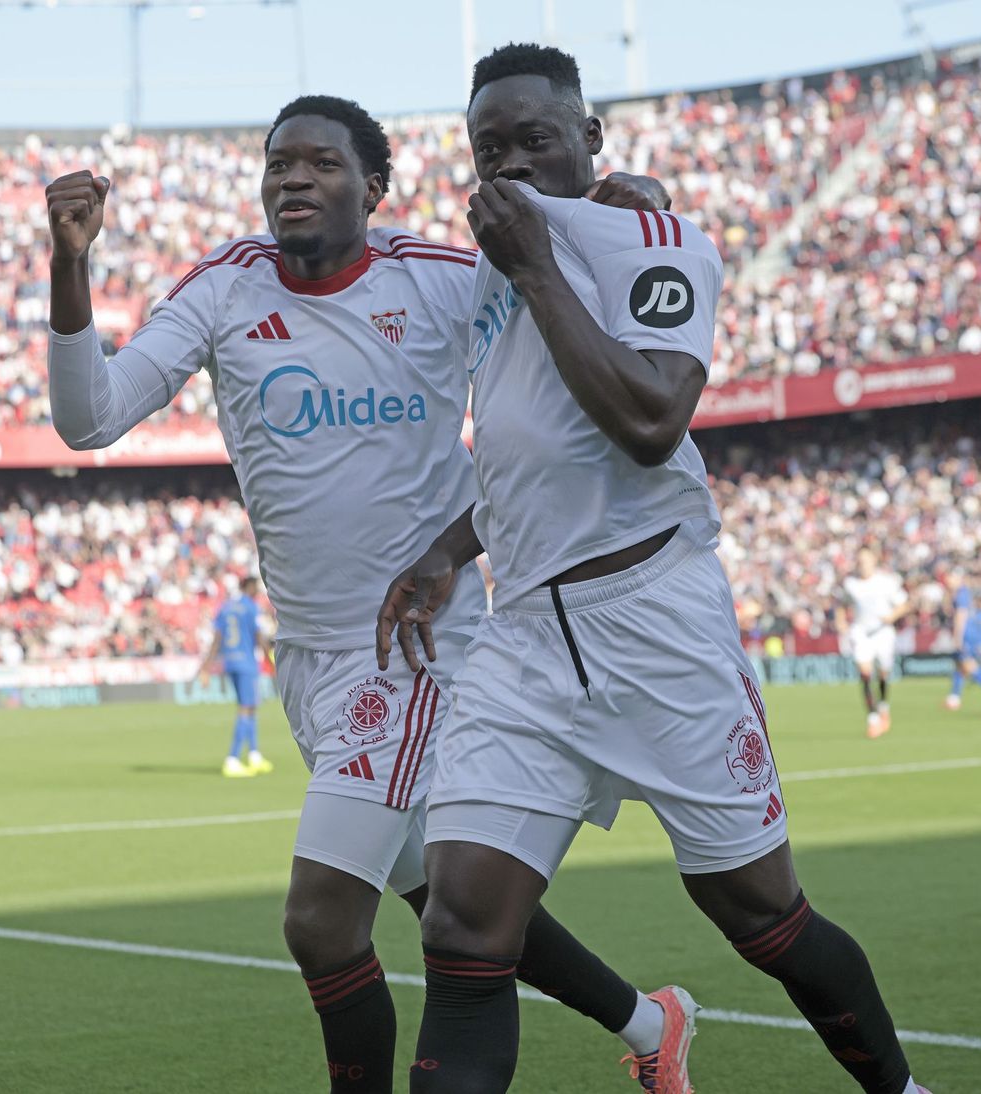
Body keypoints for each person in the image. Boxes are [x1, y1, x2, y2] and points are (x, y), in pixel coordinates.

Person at [45, 94, 696, 1093]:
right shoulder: (226, 286)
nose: (294, 179)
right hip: (306, 656)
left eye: (321, 163)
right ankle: (653, 1025)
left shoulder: (437, 278)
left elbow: (571, 282)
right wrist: (72, 262)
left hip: (419, 648)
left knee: (319, 919)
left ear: (374, 189)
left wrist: (627, 214)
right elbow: (88, 421)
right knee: (456, 900)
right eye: (279, 164)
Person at [377, 44, 926, 1094]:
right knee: (462, 923)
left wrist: (540, 262)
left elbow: (648, 418)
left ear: (590, 140)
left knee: (761, 915)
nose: (512, 165)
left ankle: (900, 1089)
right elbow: (525, 451)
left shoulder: (657, 244)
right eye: (489, 150)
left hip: (656, 620)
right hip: (527, 638)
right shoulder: (491, 280)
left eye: (535, 138)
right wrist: (449, 550)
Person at [196, 575, 276, 777]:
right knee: (246, 709)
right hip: (247, 663)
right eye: (255, 588)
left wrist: (206, 667)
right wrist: (271, 663)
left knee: (250, 706)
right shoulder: (251, 607)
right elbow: (259, 638)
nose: (258, 591)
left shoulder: (225, 607)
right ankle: (232, 759)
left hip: (230, 662)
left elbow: (217, 639)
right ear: (248, 587)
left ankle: (254, 755)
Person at [842, 547, 910, 738]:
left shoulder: (886, 582)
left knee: (883, 672)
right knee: (864, 672)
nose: (862, 564)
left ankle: (883, 706)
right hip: (861, 632)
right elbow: (842, 603)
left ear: (874, 561)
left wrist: (891, 616)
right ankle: (872, 719)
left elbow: (904, 604)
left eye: (866, 560)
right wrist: (841, 622)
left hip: (883, 632)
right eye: (860, 560)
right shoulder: (851, 583)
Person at [942, 569, 981, 711]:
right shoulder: (959, 593)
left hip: (967, 636)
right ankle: (954, 697)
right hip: (970, 635)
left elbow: (960, 616)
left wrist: (958, 637)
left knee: (968, 665)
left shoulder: (961, 594)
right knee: (960, 666)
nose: (947, 582)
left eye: (950, 578)